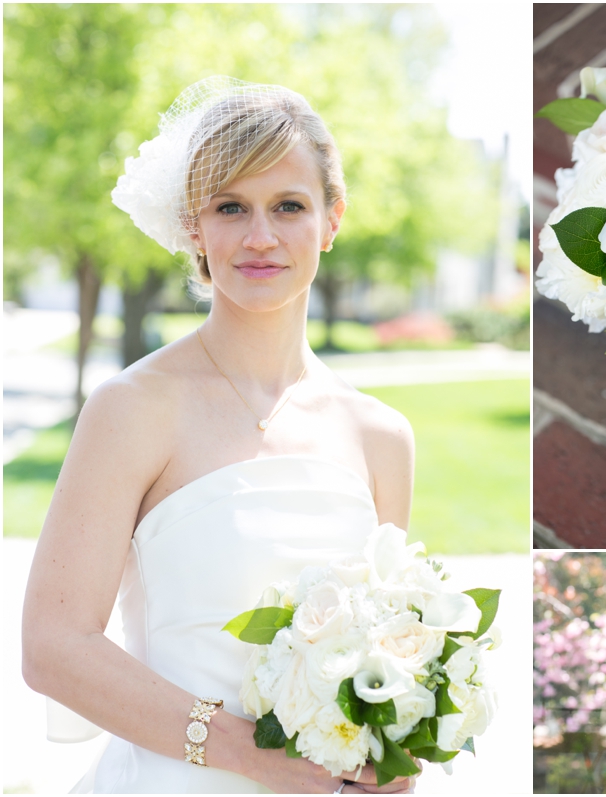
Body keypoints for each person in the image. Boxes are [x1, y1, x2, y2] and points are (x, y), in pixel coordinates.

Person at [21, 77, 416, 794]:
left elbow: (384, 656)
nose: (260, 236)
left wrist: (393, 756)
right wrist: (241, 750)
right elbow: (54, 647)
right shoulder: (132, 409)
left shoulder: (381, 436)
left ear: (331, 220)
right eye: (231, 206)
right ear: (193, 226)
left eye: (288, 206)